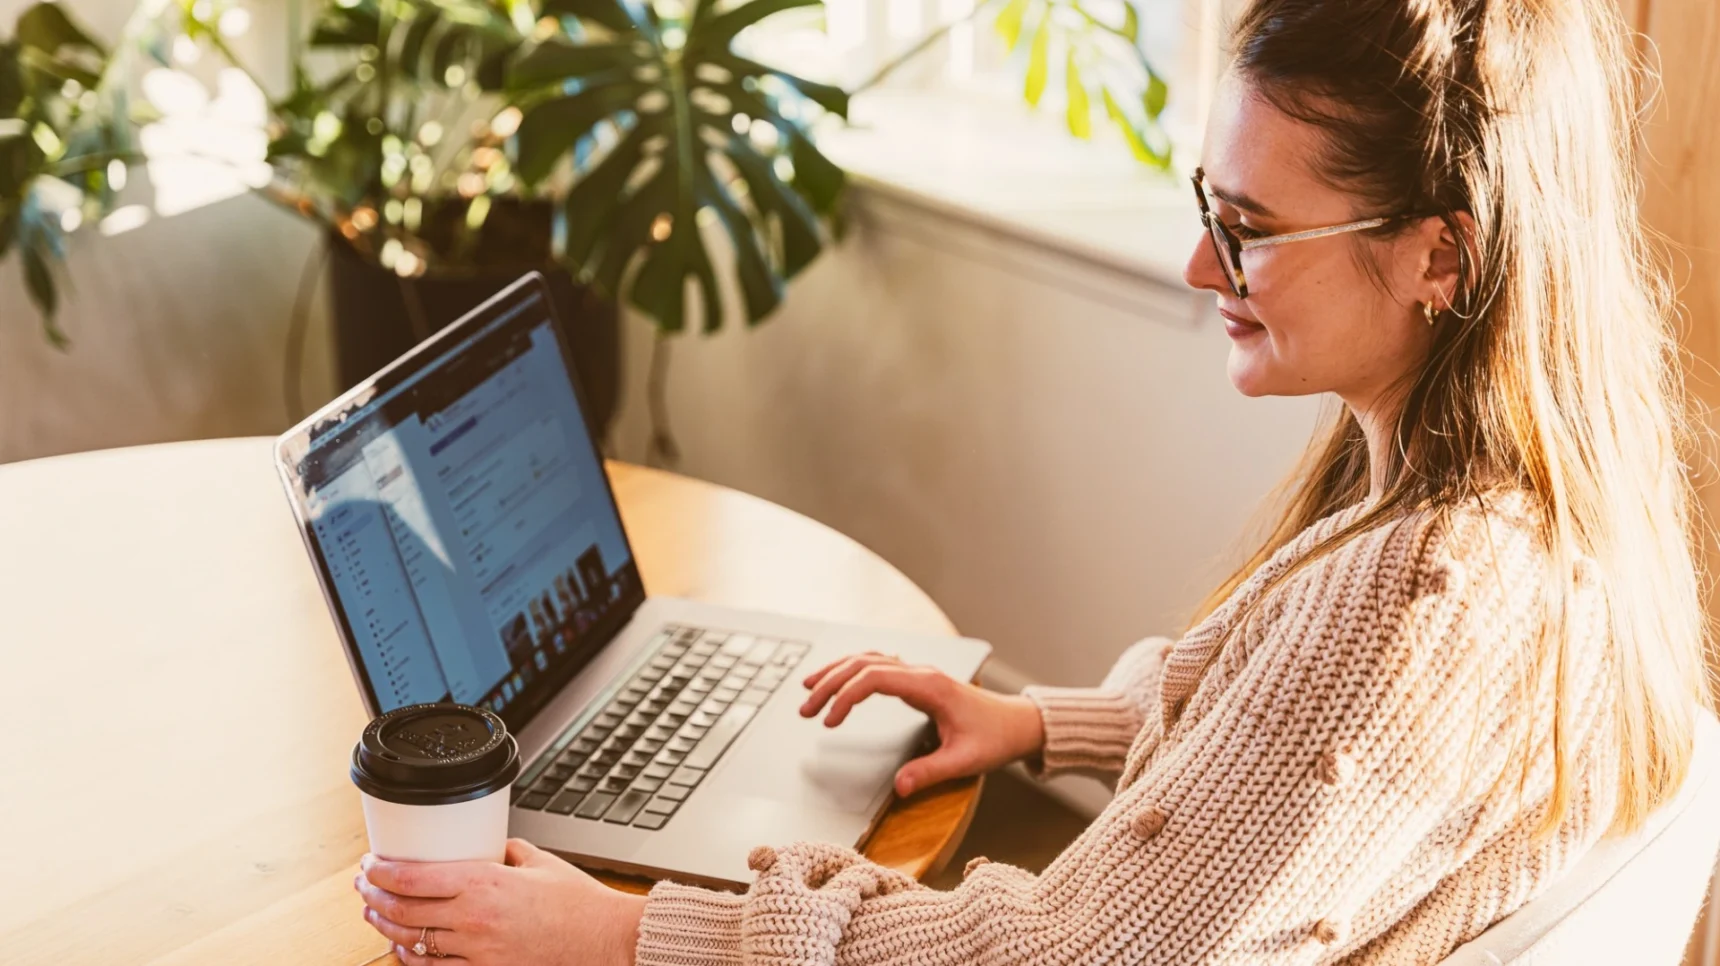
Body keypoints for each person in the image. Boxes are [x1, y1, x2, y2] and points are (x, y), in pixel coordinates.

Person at [354, 0, 1716, 961]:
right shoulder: (1514, 513)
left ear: (1440, 256)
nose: (1203, 271)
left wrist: (631, 933)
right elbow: (1309, 746)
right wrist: (1045, 723)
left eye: (1246, 233)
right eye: (1206, 208)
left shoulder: (1424, 599)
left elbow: (1061, 956)